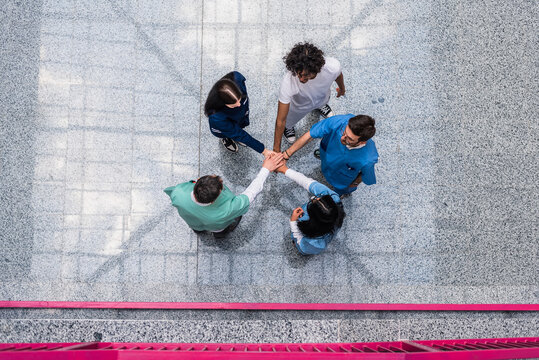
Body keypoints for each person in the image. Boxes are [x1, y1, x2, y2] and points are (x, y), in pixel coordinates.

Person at [164, 153, 284, 237]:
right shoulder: (226, 210)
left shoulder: (178, 193)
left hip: (191, 220)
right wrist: (266, 169)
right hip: (215, 225)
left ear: (198, 181)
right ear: (213, 200)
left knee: (196, 226)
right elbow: (250, 193)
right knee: (221, 230)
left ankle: (198, 230)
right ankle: (220, 235)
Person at [281, 114, 378, 197]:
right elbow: (310, 135)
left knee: (339, 191)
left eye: (350, 139)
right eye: (344, 132)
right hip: (326, 155)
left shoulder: (368, 158)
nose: (342, 138)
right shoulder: (341, 121)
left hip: (340, 179)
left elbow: (366, 176)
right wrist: (286, 154)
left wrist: (354, 183)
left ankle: (341, 194)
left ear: (362, 142)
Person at [272, 42, 346, 151]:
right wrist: (276, 149)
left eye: (306, 75)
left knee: (322, 101)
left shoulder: (332, 66)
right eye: (299, 74)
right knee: (288, 120)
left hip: (321, 97)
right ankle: (288, 127)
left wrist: (342, 88)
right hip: (299, 106)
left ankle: (320, 107)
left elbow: (338, 75)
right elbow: (280, 120)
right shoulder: (288, 82)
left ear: (317, 68)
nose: (301, 79)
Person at [276, 164, 345, 255]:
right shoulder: (333, 199)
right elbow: (307, 182)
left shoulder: (315, 243)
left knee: (298, 244)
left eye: (313, 201)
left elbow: (302, 244)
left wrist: (293, 222)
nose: (313, 198)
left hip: (305, 244)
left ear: (313, 217)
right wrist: (285, 170)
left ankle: (295, 245)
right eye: (316, 198)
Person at [205, 71, 273, 156]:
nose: (239, 104)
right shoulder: (216, 117)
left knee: (240, 126)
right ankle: (226, 138)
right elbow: (238, 133)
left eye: (239, 99)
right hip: (224, 128)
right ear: (223, 103)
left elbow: (238, 76)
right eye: (234, 105)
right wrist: (263, 150)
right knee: (231, 133)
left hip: (239, 117)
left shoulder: (236, 78)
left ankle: (239, 137)